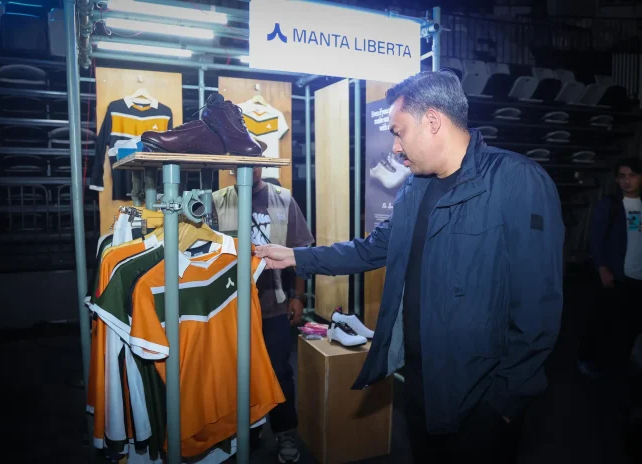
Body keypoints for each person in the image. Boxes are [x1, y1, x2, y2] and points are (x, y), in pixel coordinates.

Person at [255, 71, 565, 464]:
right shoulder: (416, 187)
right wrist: (297, 257)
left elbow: (538, 305)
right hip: (421, 381)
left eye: (399, 132)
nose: (395, 147)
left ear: (432, 121)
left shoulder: (517, 181)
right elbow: (372, 249)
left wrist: (506, 400)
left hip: (481, 393)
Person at [211, 169, 313, 463]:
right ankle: (246, 431)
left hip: (273, 304)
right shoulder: (217, 201)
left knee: (279, 372)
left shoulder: (283, 199)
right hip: (232, 306)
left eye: (255, 161)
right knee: (234, 371)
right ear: (231, 168)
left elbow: (301, 251)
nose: (249, 167)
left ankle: (285, 432)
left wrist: (298, 296)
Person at [579, 157, 642, 378]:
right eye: (622, 176)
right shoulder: (610, 204)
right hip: (615, 274)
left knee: (630, 323)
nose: (627, 181)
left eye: (632, 175)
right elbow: (595, 238)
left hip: (637, 275)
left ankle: (619, 362)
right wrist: (602, 267)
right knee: (601, 320)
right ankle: (588, 360)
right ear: (616, 179)